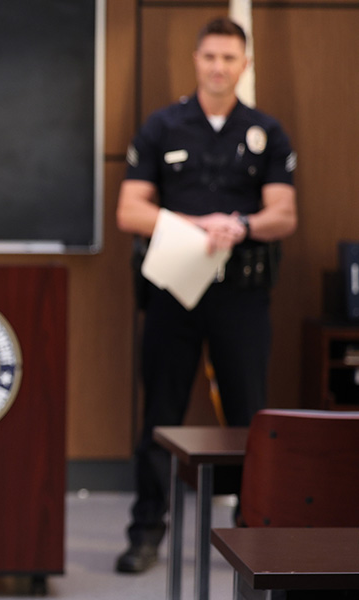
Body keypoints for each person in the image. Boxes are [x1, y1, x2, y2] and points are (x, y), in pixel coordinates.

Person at [114, 17, 297, 573]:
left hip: (241, 293)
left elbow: (283, 214)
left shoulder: (267, 131)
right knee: (159, 415)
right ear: (196, 60)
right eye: (210, 57)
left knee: (249, 413)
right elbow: (130, 210)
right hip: (174, 290)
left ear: (245, 65)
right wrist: (197, 224)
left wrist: (239, 225)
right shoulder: (162, 126)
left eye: (229, 58)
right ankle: (147, 529)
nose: (218, 67)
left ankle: (253, 527)